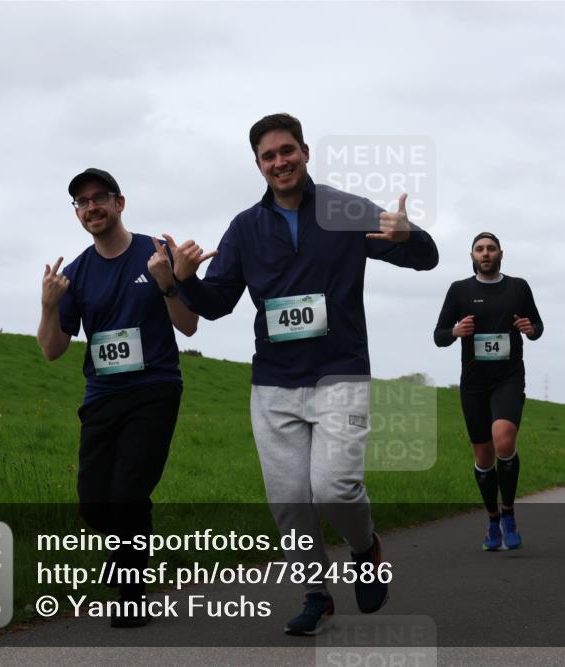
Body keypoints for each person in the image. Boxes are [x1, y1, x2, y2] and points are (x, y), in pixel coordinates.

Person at [173, 114, 439, 635]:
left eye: (287, 150)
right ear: (257, 165)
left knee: (334, 488)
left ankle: (365, 549)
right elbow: (216, 304)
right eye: (268, 156)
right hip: (273, 382)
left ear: (306, 152)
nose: (279, 162)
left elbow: (425, 259)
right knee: (290, 500)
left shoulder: (342, 210)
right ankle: (316, 594)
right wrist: (183, 281)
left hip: (338, 372)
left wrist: (410, 235)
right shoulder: (245, 227)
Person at [38, 168, 199, 627]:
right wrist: (49, 304)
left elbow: (188, 325)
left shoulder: (156, 254)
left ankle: (131, 596)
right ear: (77, 213)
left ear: (120, 203)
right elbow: (52, 351)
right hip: (102, 394)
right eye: (82, 202)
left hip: (154, 390)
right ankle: (124, 549)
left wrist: (169, 281)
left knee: (128, 493)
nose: (92, 207)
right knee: (93, 504)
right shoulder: (77, 274)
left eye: (99, 198)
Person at [434, 232, 544, 550]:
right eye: (480, 249)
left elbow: (537, 326)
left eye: (491, 249)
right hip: (474, 383)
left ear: (500, 254)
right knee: (483, 456)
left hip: (508, 377)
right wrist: (455, 331)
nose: (485, 253)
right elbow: (439, 335)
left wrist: (530, 329)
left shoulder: (518, 287)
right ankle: (493, 519)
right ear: (472, 255)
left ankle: (508, 512)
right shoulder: (459, 290)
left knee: (503, 440)